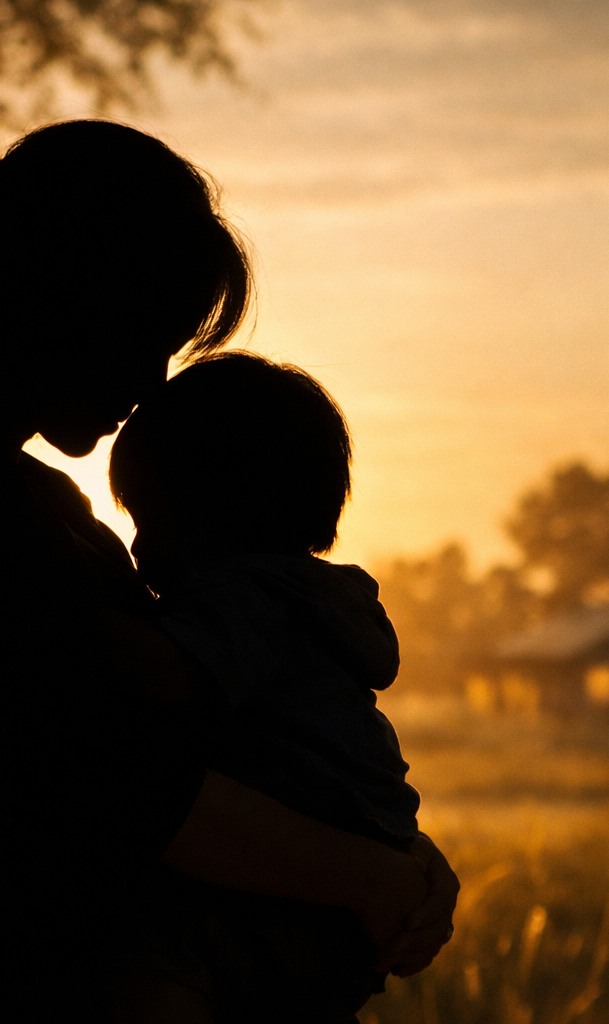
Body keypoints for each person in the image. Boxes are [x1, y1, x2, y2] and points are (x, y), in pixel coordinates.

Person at [0, 122, 458, 1022]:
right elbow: (106, 790)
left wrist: (390, 851)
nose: (152, 381)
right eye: (144, 332)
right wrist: (374, 873)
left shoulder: (30, 505)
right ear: (65, 294)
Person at [107, 351, 427, 1023]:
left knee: (146, 956)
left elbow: (168, 678)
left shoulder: (246, 599)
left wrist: (74, 617)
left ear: (217, 511)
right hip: (357, 888)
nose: (136, 549)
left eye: (151, 520)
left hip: (272, 895)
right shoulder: (320, 599)